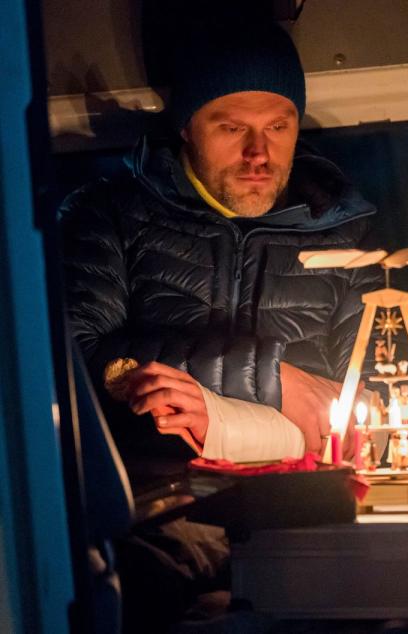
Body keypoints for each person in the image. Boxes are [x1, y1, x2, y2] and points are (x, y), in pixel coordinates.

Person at [59, 21, 378, 475]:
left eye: (278, 126)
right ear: (187, 128)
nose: (258, 152)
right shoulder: (110, 215)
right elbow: (78, 359)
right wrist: (273, 381)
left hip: (305, 494)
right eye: (231, 128)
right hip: (156, 491)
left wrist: (229, 408)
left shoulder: (349, 238)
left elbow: (376, 403)